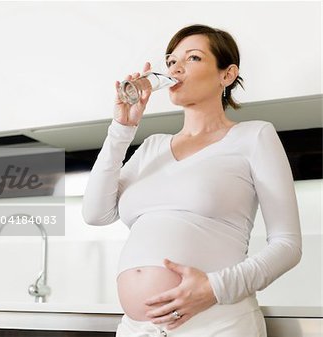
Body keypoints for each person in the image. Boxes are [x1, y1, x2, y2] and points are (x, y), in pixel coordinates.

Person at [82, 24, 302, 337]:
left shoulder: (254, 136)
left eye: (193, 58)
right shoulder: (152, 146)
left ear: (226, 75)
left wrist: (215, 288)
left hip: (217, 324)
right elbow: (95, 213)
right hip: (137, 329)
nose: (176, 68)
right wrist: (122, 128)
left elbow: (288, 244)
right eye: (171, 61)